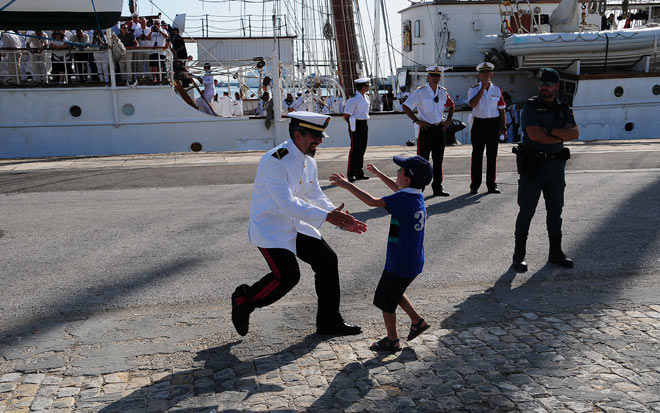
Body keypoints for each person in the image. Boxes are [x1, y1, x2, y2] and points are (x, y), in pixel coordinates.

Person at [231, 111, 367, 337]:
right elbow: (287, 204)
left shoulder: (308, 161)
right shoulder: (274, 161)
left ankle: (329, 322)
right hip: (271, 227)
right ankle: (244, 299)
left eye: (320, 136)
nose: (320, 141)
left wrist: (335, 215)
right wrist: (327, 217)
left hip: (295, 224)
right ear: (297, 134)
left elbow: (315, 194)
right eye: (315, 136)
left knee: (327, 260)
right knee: (287, 277)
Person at [329, 156, 433, 352]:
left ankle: (392, 340)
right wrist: (378, 174)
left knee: (386, 300)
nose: (397, 173)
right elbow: (397, 188)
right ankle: (417, 321)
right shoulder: (415, 196)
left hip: (400, 260)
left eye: (400, 170)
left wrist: (347, 185)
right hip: (412, 259)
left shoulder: (403, 198)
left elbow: (372, 201)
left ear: (408, 179)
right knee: (395, 291)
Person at [512, 68, 579, 272]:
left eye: (548, 85)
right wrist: (560, 136)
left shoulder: (563, 108)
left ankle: (555, 252)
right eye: (541, 84)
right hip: (533, 166)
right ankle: (519, 256)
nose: (544, 88)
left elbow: (574, 133)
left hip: (555, 166)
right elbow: (534, 135)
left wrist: (549, 131)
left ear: (556, 86)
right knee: (526, 211)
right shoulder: (531, 108)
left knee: (555, 210)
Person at [402, 66, 455, 196]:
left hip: (439, 128)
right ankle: (419, 188)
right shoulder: (420, 92)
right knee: (422, 161)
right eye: (433, 76)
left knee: (438, 161)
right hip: (425, 129)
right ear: (428, 77)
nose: (435, 78)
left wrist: (448, 120)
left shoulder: (443, 92)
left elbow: (451, 105)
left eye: (438, 76)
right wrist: (416, 120)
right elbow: (406, 106)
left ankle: (437, 187)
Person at [467, 62, 507, 195]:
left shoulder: (497, 89)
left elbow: (501, 109)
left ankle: (491, 184)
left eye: (487, 73)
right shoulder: (473, 89)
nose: (485, 75)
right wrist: (482, 88)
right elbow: (472, 104)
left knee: (492, 156)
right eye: (482, 73)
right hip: (479, 124)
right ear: (480, 74)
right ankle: (475, 185)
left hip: (493, 124)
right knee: (477, 156)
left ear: (491, 74)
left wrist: (503, 127)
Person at [343, 77, 371, 182]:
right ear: (363, 87)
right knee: (355, 149)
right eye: (367, 85)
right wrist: (352, 124)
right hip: (355, 124)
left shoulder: (366, 97)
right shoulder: (354, 99)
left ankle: (359, 172)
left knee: (362, 148)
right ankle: (351, 173)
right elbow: (346, 115)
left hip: (364, 123)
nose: (368, 87)